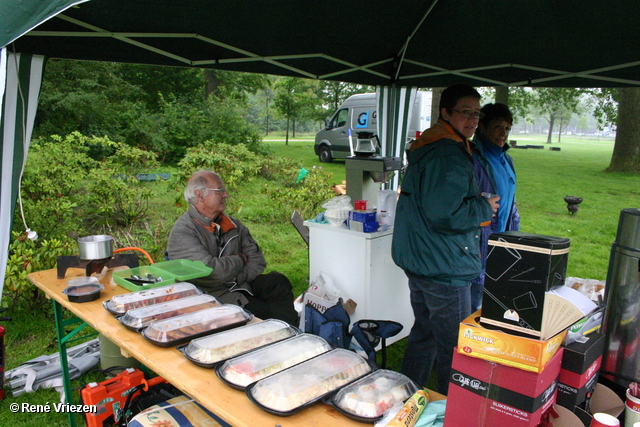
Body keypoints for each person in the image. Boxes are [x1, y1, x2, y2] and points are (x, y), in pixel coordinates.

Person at [391, 84, 499, 395]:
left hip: (424, 259)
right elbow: (445, 213)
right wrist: (484, 206)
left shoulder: (432, 144)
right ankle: (453, 407)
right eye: (465, 112)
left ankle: (408, 393)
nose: (473, 120)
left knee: (424, 333)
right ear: (446, 113)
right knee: (455, 346)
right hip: (444, 266)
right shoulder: (448, 153)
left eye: (476, 114)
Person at [166, 170, 299, 326]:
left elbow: (257, 260)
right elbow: (211, 272)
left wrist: (238, 278)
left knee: (277, 282)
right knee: (266, 312)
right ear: (200, 195)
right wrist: (240, 259)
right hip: (210, 295)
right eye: (220, 191)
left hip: (239, 284)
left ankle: (289, 332)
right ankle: (280, 333)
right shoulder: (183, 231)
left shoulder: (231, 224)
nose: (226, 195)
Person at [471, 103, 521, 311]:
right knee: (476, 300)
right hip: (479, 243)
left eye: (507, 128)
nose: (503, 133)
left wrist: (515, 237)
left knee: (495, 297)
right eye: (497, 127)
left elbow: (511, 202)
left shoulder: (505, 159)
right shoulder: (473, 158)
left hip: (502, 241)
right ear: (482, 127)